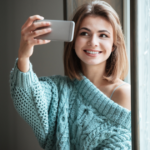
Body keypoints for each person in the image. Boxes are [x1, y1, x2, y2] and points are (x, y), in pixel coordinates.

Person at [9, 0, 131, 149]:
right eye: (84, 33)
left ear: (113, 45)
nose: (93, 42)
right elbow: (26, 97)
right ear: (73, 41)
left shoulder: (124, 93)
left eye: (103, 35)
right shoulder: (58, 89)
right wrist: (23, 56)